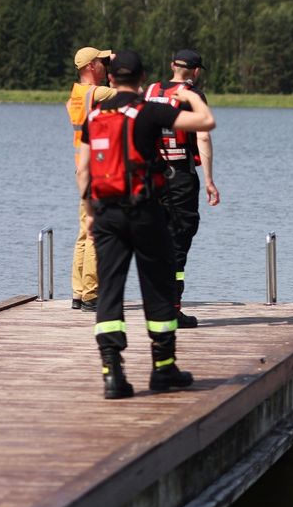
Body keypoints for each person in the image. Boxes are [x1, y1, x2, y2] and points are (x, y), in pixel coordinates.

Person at [77, 51, 216, 399]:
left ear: (111, 79)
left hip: (105, 213)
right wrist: (186, 95)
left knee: (111, 289)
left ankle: (112, 373)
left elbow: (84, 169)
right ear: (141, 80)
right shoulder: (149, 111)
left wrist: (91, 212)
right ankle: (163, 368)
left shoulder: (94, 115)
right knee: (157, 285)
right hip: (144, 212)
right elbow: (205, 122)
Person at [143, 49, 221, 328]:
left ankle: (156, 305)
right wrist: (209, 180)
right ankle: (171, 309)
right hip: (180, 177)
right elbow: (203, 137)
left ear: (172, 66)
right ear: (196, 72)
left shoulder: (150, 91)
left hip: (150, 176)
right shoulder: (193, 96)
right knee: (178, 242)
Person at [66, 46, 116, 312]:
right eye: (101, 61)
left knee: (85, 231)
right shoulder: (97, 93)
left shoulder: (75, 94)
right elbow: (132, 93)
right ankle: (91, 294)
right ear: (90, 66)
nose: (105, 65)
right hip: (97, 170)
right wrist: (120, 69)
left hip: (82, 169)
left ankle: (78, 292)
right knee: (96, 231)